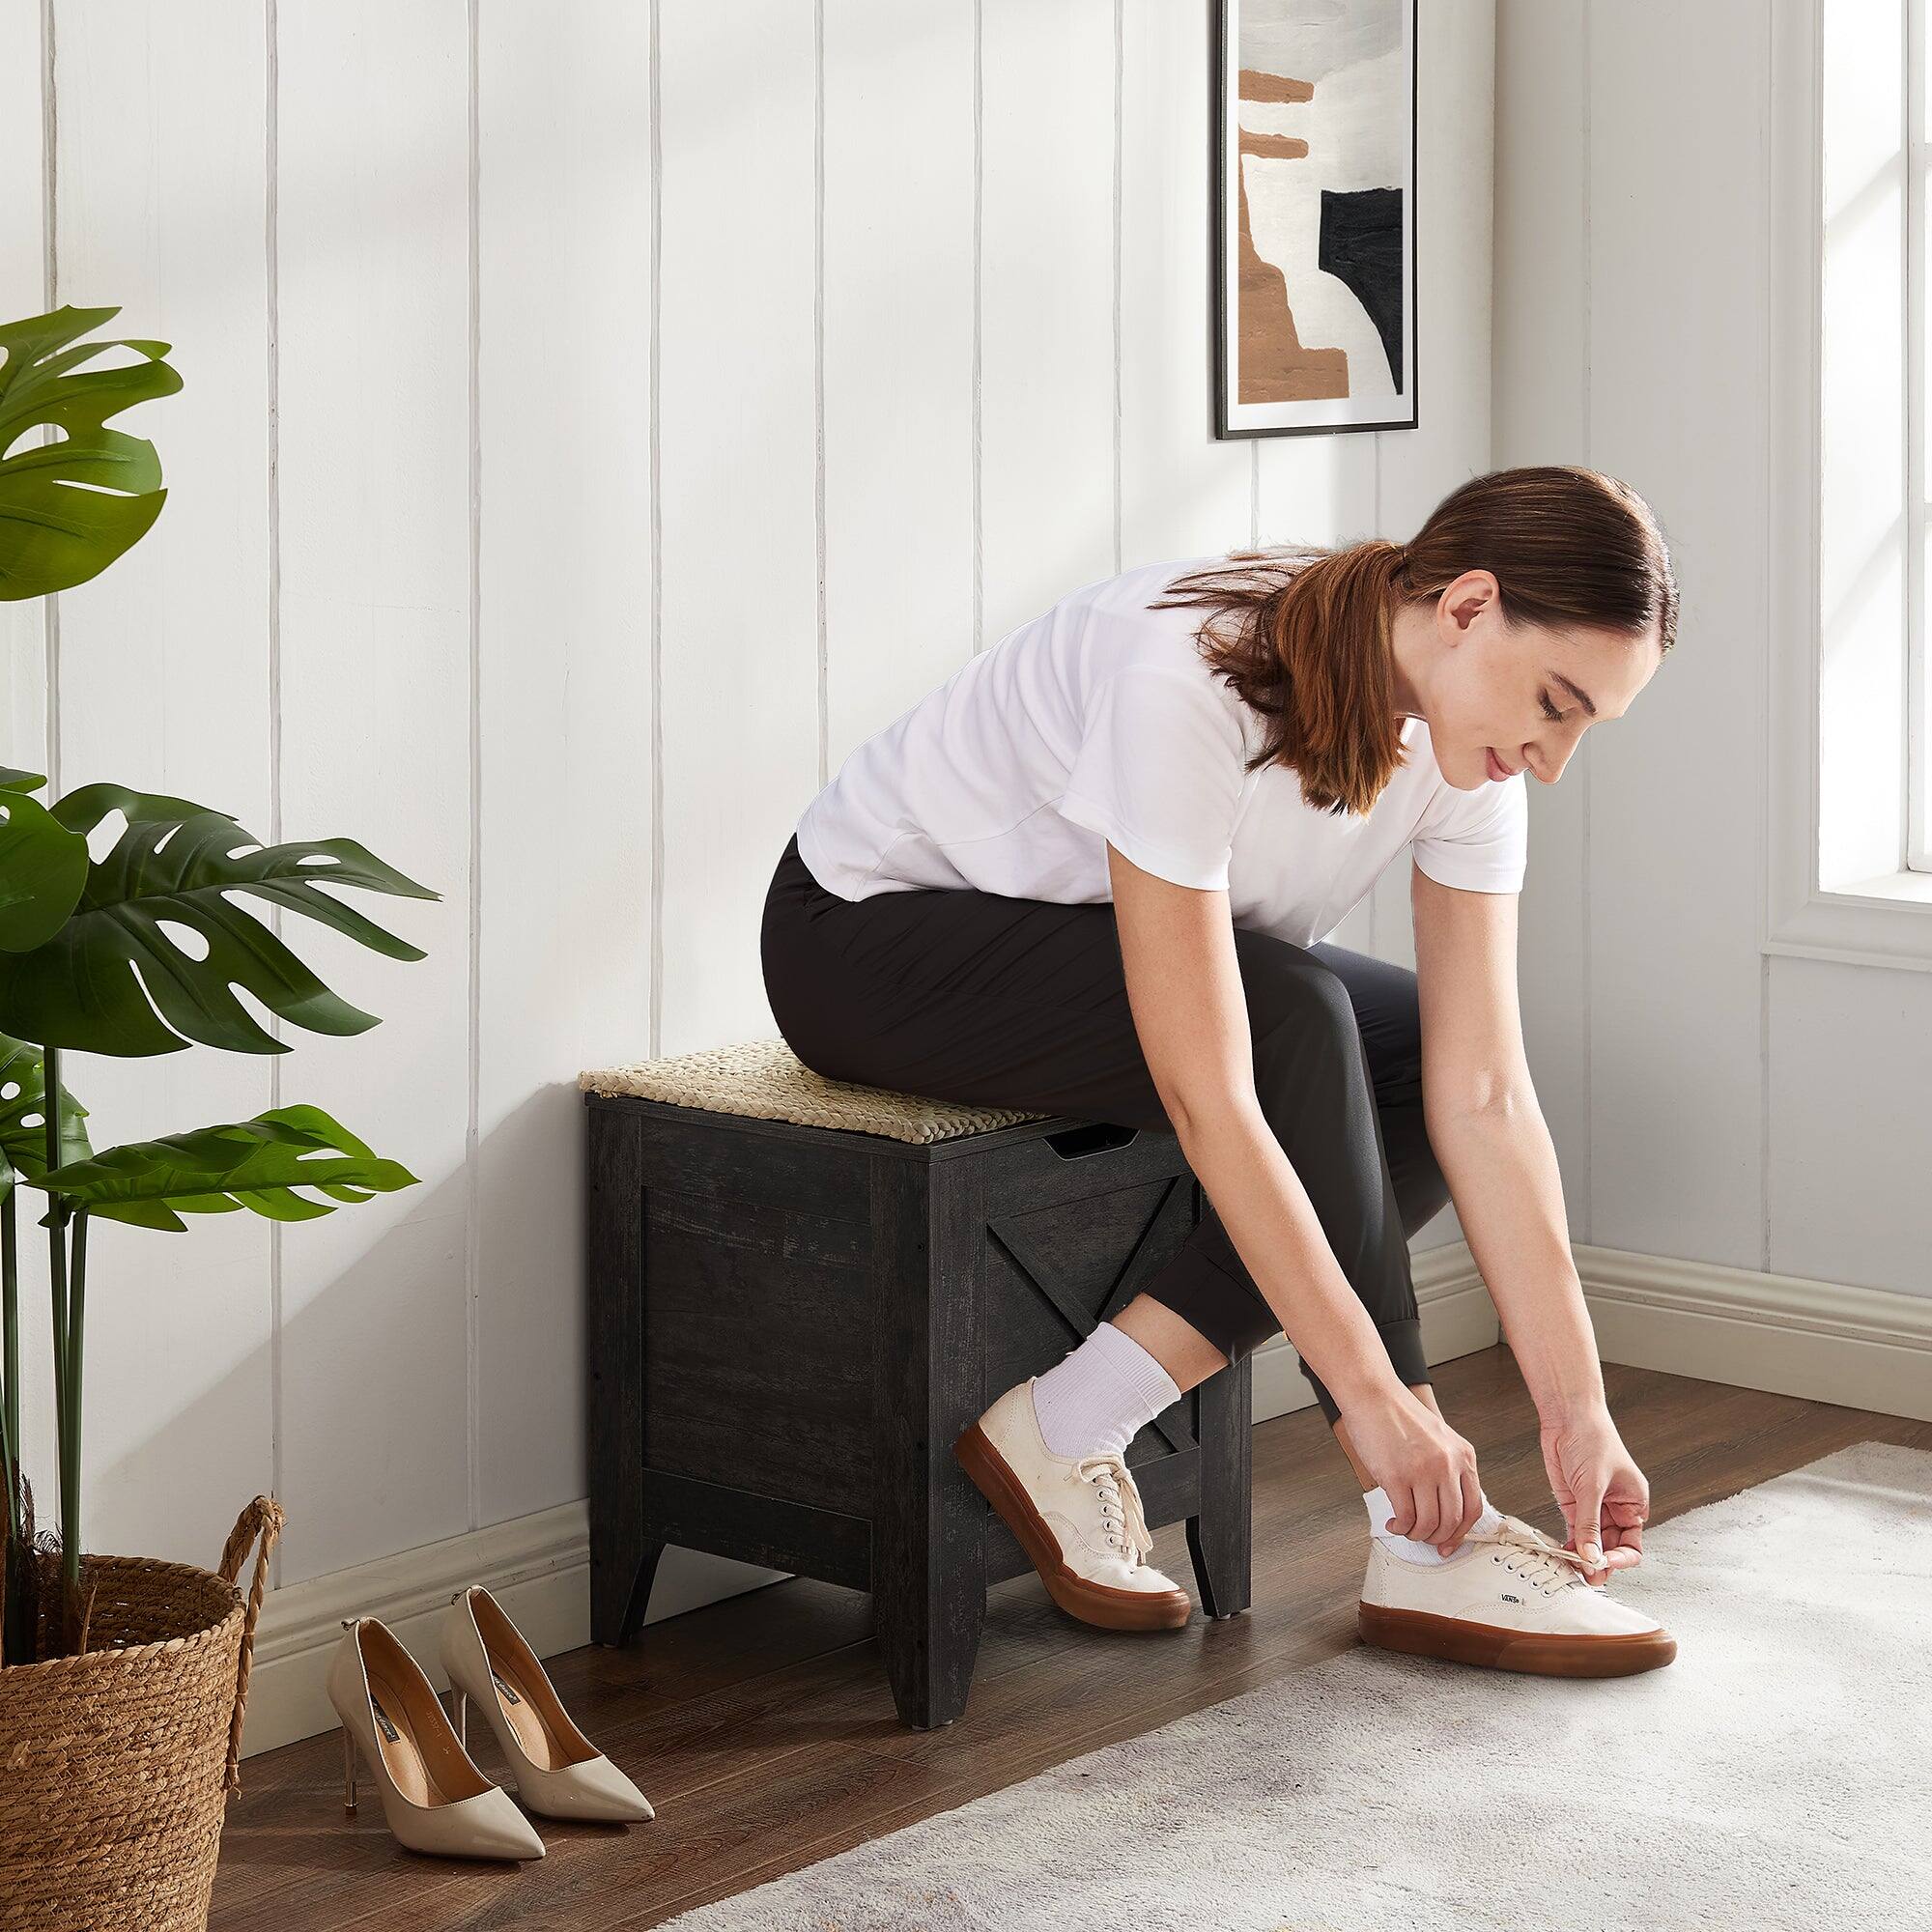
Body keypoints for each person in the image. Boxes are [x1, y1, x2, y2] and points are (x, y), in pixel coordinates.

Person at [759, 464, 1679, 1678]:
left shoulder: (1468, 756)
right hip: (861, 940)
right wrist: (1380, 1407)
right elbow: (1213, 1093)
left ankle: (1071, 1415)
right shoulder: (1187, 674)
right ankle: (1415, 1533)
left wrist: (1576, 1412)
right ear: (1465, 606)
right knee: (1295, 1012)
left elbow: (1484, 1096)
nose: (1552, 758)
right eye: (1554, 704)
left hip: (1054, 951)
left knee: (1401, 1046)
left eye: (1583, 726)